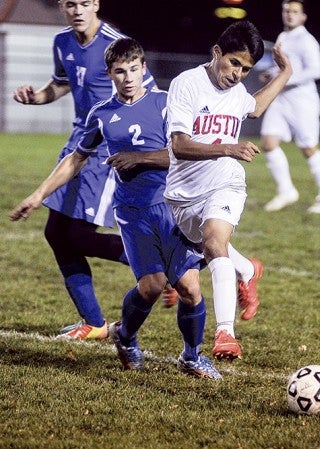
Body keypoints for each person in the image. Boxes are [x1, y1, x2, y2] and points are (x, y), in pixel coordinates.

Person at [10, 37, 222, 380]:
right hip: (133, 211)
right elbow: (75, 159)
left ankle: (192, 356)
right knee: (152, 286)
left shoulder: (166, 104)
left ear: (144, 69)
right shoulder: (102, 114)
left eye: (134, 70)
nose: (128, 77)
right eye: (120, 71)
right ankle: (124, 337)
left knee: (189, 288)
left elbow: (184, 152)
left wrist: (138, 158)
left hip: (172, 207)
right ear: (109, 73)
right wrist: (37, 196)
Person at [12, 0, 177, 341]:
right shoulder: (62, 42)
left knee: (74, 235)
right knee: (56, 235)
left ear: (96, 4)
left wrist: (146, 151)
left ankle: (161, 266)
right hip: (79, 140)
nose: (77, 10)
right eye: (70, 4)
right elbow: (62, 84)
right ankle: (95, 323)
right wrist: (36, 97)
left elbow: (151, 96)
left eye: (84, 3)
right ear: (62, 7)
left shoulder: (115, 44)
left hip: (106, 149)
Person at [164, 20, 292, 361]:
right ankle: (248, 270)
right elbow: (179, 146)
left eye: (246, 69)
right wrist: (227, 147)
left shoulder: (237, 94)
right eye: (234, 62)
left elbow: (256, 106)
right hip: (183, 193)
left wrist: (286, 72)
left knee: (214, 242)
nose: (238, 74)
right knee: (206, 245)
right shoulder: (187, 84)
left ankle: (225, 334)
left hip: (226, 182)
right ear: (216, 52)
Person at [259, 0, 320, 213]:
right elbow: (282, 67)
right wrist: (272, 75)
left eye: (294, 12)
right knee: (268, 142)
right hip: (281, 99)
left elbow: (316, 71)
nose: (289, 15)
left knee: (308, 148)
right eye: (286, 11)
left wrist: (284, 79)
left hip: (303, 101)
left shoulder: (307, 40)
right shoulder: (283, 37)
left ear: (303, 17)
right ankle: (286, 191)